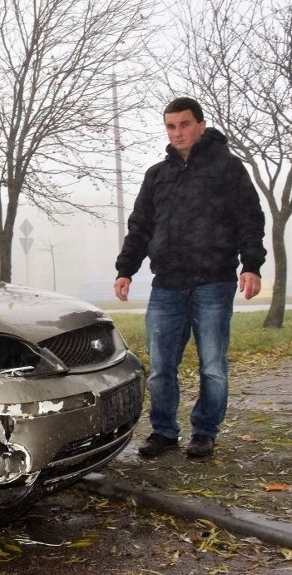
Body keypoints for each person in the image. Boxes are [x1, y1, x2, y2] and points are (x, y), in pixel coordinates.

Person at [114, 97, 266, 459]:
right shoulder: (157, 175)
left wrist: (251, 265)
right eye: (171, 126)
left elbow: (249, 218)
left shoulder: (227, 168)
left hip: (213, 281)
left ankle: (205, 431)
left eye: (184, 124)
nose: (177, 133)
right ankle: (164, 432)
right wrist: (125, 269)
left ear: (200, 124)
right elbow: (140, 227)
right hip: (166, 284)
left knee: (212, 365)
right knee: (161, 367)